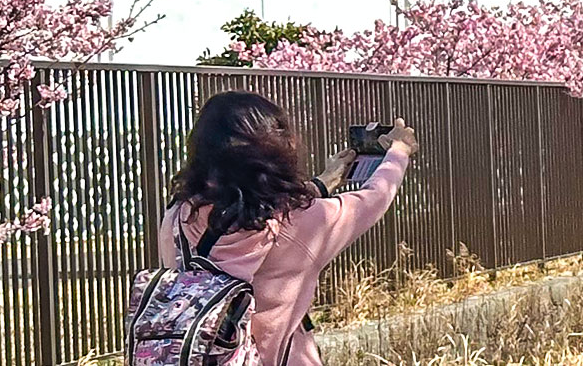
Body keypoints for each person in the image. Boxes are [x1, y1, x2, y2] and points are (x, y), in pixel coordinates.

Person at [155, 92, 419, 366]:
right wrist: (399, 152)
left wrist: (325, 181)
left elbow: (245, 208)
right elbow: (373, 198)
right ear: (276, 148)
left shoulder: (178, 216)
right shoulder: (302, 224)